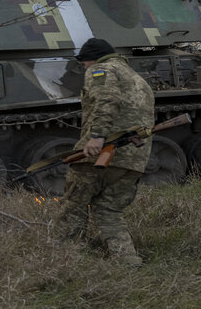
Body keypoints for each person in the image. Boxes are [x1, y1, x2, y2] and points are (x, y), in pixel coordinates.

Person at [58, 37, 155, 266]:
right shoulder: (136, 77)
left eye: (83, 63)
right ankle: (128, 260)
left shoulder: (100, 70)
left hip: (100, 153)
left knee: (73, 206)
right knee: (108, 210)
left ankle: (67, 260)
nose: (84, 67)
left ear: (90, 59)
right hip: (134, 159)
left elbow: (106, 99)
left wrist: (97, 137)